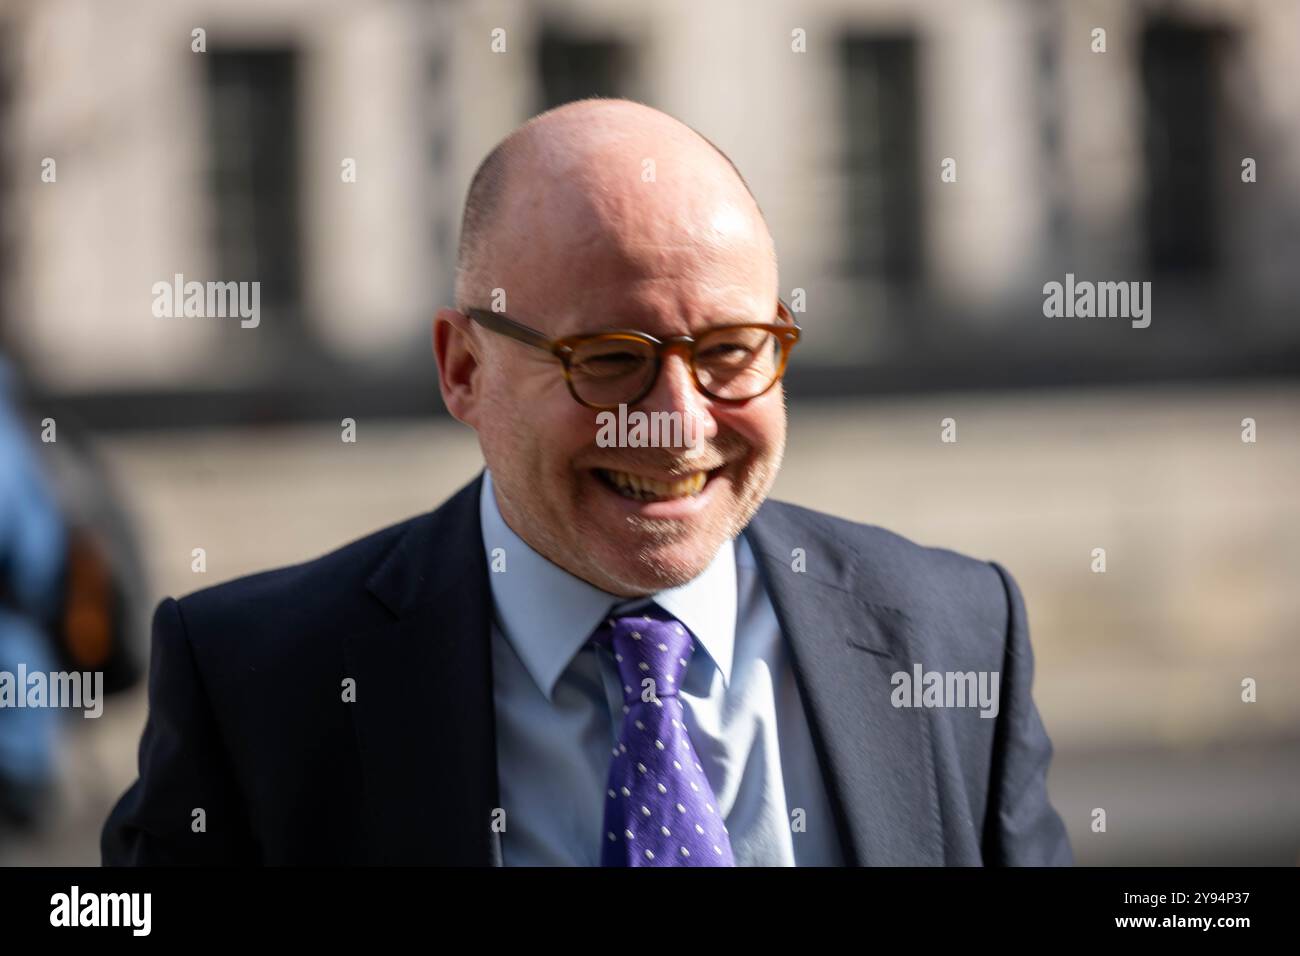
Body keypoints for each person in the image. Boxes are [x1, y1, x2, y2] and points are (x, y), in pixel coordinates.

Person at [102, 98, 1072, 866]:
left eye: (731, 350)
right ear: (463, 368)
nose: (679, 420)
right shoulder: (261, 685)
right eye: (610, 358)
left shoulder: (953, 635)